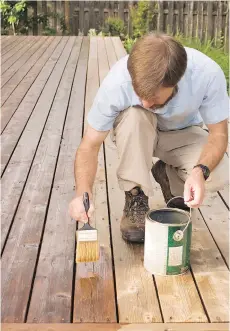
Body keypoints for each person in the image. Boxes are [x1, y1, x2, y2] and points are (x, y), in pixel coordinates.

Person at [69, 32, 229, 243]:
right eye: (139, 93)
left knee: (221, 172)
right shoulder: (117, 83)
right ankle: (136, 195)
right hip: (136, 133)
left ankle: (168, 178)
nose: (145, 102)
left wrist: (200, 172)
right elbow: (89, 145)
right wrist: (82, 193)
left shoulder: (206, 75)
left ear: (177, 81)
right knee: (136, 113)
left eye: (153, 97)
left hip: (183, 133)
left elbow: (219, 134)